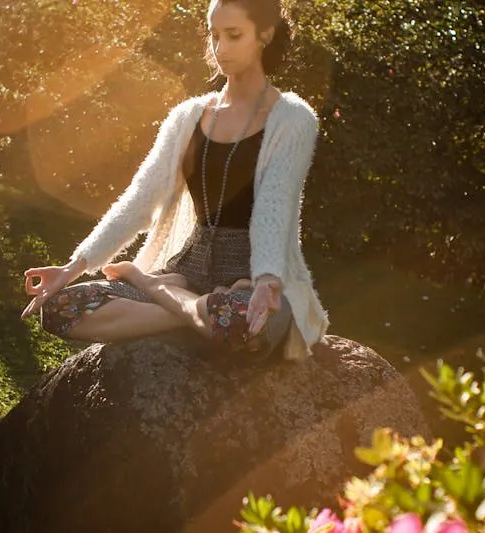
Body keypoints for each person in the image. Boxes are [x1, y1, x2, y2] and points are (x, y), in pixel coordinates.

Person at [21, 0, 329, 361]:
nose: (220, 49)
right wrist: (71, 268)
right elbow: (139, 200)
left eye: (233, 36)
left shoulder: (294, 118)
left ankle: (149, 285)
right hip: (186, 268)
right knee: (61, 308)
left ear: (265, 35)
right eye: (214, 36)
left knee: (243, 327)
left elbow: (274, 209)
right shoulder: (188, 117)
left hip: (252, 280)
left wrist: (266, 280)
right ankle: (192, 310)